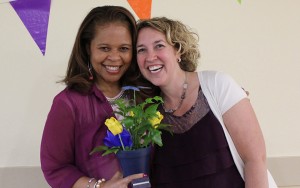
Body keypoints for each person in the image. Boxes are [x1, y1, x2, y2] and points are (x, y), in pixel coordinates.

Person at [136, 17, 277, 188]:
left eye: (159, 45)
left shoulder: (218, 85)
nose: (150, 57)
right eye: (141, 50)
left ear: (178, 50)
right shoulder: (144, 113)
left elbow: (255, 160)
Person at [40, 6, 154, 188]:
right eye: (104, 48)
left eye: (124, 48)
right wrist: (99, 186)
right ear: (88, 48)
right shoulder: (68, 103)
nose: (115, 57)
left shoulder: (146, 93)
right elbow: (55, 169)